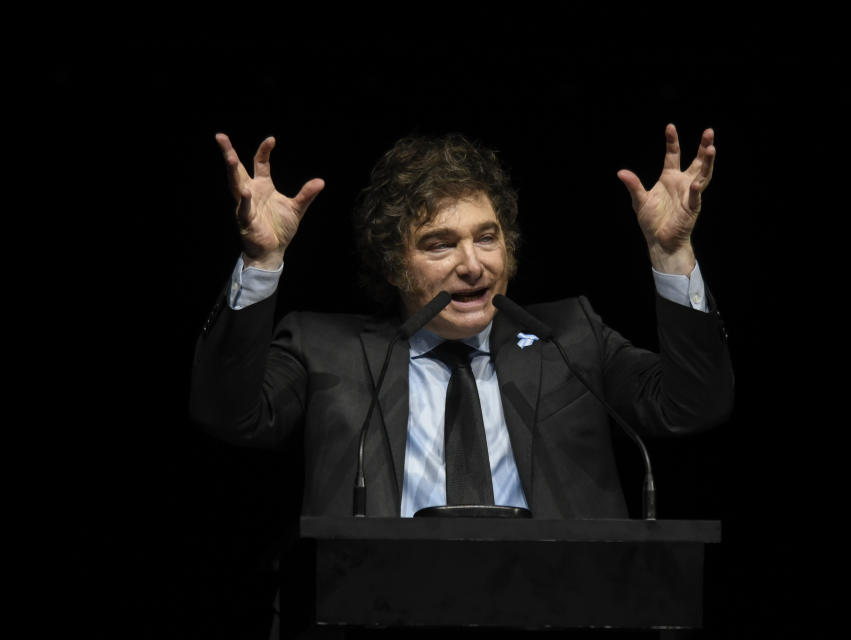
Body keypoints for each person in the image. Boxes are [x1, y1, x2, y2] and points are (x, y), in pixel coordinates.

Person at [190, 126, 733, 519]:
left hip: (558, 615)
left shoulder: (570, 336)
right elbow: (230, 415)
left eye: (487, 237)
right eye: (440, 244)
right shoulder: (322, 346)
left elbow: (691, 406)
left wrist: (672, 254)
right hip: (374, 616)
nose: (473, 264)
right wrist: (261, 265)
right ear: (393, 263)